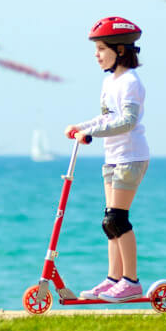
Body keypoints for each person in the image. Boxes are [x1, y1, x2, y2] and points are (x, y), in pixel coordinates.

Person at [65, 16, 152, 302]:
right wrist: (81, 127)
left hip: (131, 156)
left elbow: (127, 121)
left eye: (102, 48)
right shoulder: (109, 82)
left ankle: (131, 282)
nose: (96, 55)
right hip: (113, 157)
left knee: (118, 219)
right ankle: (113, 279)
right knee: (109, 222)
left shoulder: (131, 82)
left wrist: (91, 133)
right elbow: (106, 118)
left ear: (121, 49)